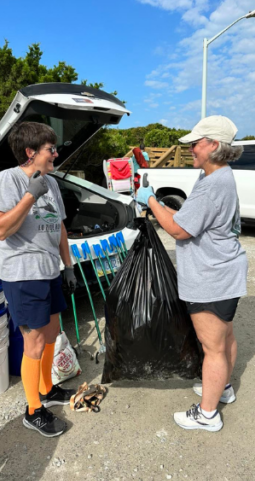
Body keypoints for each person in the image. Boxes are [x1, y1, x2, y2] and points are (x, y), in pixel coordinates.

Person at [136, 115, 248, 432]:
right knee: (223, 336)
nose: (191, 150)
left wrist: (151, 201)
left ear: (213, 145)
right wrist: (159, 206)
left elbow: (179, 229)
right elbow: (187, 217)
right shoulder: (216, 176)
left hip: (211, 277)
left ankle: (207, 414)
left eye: (196, 144)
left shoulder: (213, 185)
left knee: (212, 346)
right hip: (223, 272)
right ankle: (222, 387)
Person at [0, 121, 78, 438]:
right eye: (49, 149)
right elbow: (0, 228)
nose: (55, 153)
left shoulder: (51, 184)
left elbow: (60, 227)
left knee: (52, 332)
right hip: (23, 275)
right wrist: (29, 196)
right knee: (34, 341)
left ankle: (47, 388)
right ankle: (32, 410)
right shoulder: (7, 180)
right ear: (30, 152)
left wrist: (68, 266)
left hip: (50, 271)